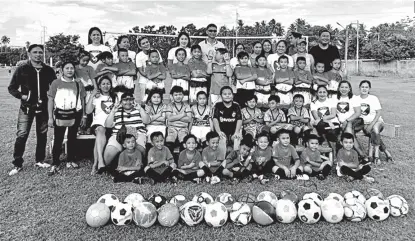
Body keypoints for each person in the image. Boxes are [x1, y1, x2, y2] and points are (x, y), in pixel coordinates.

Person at [8, 44, 56, 176]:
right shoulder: (22, 69)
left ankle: (39, 160)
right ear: (29, 54)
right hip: (27, 108)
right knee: (22, 135)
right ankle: (17, 164)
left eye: (40, 52)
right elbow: (12, 88)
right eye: (35, 52)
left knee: (42, 135)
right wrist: (23, 96)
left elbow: (54, 87)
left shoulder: (48, 70)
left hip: (44, 108)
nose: (38, 55)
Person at [47, 62, 87, 176]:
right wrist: (50, 117)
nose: (70, 70)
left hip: (75, 113)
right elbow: (50, 100)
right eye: (67, 68)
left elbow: (83, 100)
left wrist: (84, 115)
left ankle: (71, 160)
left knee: (72, 138)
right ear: (62, 70)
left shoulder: (78, 84)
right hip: (60, 114)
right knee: (58, 138)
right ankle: (55, 162)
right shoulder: (56, 83)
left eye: (72, 68)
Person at [103, 92, 149, 169]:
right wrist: (113, 111)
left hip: (137, 134)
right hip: (119, 135)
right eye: (125, 100)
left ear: (133, 100)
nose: (128, 102)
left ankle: (134, 167)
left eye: (130, 99)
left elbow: (147, 121)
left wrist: (141, 109)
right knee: (108, 156)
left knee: (140, 151)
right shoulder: (116, 110)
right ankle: (117, 165)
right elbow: (107, 125)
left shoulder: (139, 109)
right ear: (121, 102)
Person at [354, 80, 394, 164]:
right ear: (359, 88)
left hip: (377, 121)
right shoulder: (356, 99)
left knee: (375, 129)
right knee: (374, 133)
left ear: (369, 89)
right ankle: (386, 152)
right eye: (362, 87)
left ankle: (376, 155)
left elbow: (378, 113)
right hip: (364, 124)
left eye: (366, 87)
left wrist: (372, 124)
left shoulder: (373, 98)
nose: (364, 89)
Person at [86, 76, 117, 175]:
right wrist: (92, 96)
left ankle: (95, 164)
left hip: (111, 124)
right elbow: (88, 111)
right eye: (103, 84)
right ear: (99, 86)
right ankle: (101, 161)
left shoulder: (115, 97)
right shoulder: (96, 97)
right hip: (97, 124)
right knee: (101, 130)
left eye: (108, 83)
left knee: (99, 138)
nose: (106, 86)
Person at [335, 80, 366, 160]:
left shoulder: (354, 98)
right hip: (341, 123)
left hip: (355, 121)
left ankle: (359, 154)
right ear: (338, 88)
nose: (344, 89)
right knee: (347, 131)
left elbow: (358, 113)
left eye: (346, 87)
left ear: (349, 89)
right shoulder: (335, 98)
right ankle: (360, 155)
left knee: (348, 129)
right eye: (342, 87)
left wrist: (347, 120)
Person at [212, 86, 243, 157]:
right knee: (222, 140)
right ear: (221, 96)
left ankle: (236, 160)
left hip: (233, 132)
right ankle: (221, 161)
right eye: (225, 94)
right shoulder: (218, 105)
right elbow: (215, 119)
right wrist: (219, 131)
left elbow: (239, 119)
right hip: (222, 132)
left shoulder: (236, 106)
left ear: (232, 95)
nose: (227, 96)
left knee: (237, 139)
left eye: (229, 94)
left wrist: (236, 132)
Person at [310, 85, 340, 153]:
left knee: (331, 132)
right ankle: (326, 143)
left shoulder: (331, 101)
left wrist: (327, 120)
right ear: (317, 93)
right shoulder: (314, 103)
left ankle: (333, 152)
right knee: (319, 124)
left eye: (324, 92)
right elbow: (316, 118)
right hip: (323, 124)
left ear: (327, 93)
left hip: (334, 123)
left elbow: (333, 114)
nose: (322, 94)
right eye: (320, 92)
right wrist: (328, 121)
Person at [135, 36, 163, 105]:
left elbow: (161, 65)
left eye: (147, 42)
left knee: (158, 100)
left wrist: (158, 77)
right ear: (140, 46)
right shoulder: (139, 55)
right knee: (145, 100)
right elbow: (141, 71)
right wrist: (151, 77)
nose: (146, 44)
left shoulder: (156, 51)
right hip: (145, 80)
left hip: (157, 79)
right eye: (143, 43)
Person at [165, 86, 192, 154]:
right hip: (172, 128)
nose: (178, 96)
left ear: (183, 95)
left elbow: (189, 119)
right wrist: (183, 115)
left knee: (184, 142)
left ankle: (182, 161)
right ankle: (170, 161)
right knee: (169, 140)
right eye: (176, 95)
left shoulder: (187, 106)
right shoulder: (170, 105)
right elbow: (169, 118)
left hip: (183, 128)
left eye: (180, 94)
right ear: (172, 96)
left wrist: (175, 117)